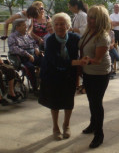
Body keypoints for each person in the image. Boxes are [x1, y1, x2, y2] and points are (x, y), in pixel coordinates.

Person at [38, 12, 88, 141]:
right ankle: (55, 127)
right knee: (54, 102)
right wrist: (77, 62)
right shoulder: (50, 40)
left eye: (63, 24)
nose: (60, 27)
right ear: (53, 26)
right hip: (51, 74)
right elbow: (56, 61)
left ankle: (66, 125)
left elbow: (85, 44)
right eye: (57, 24)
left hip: (69, 75)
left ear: (68, 25)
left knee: (68, 101)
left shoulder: (74, 38)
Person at [79, 5, 111, 148]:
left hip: (99, 73)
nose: (89, 19)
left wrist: (79, 62)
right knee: (91, 100)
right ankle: (93, 125)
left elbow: (97, 59)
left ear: (100, 20)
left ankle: (99, 134)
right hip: (88, 71)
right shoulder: (88, 31)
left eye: (93, 17)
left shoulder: (103, 36)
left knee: (96, 103)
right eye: (89, 16)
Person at [8, 19, 42, 94]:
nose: (26, 26)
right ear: (17, 27)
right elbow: (14, 49)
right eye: (23, 25)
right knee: (30, 67)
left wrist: (36, 48)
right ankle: (35, 88)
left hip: (33, 55)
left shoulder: (27, 35)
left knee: (46, 62)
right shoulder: (12, 36)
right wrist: (28, 54)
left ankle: (45, 83)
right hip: (22, 58)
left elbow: (34, 43)